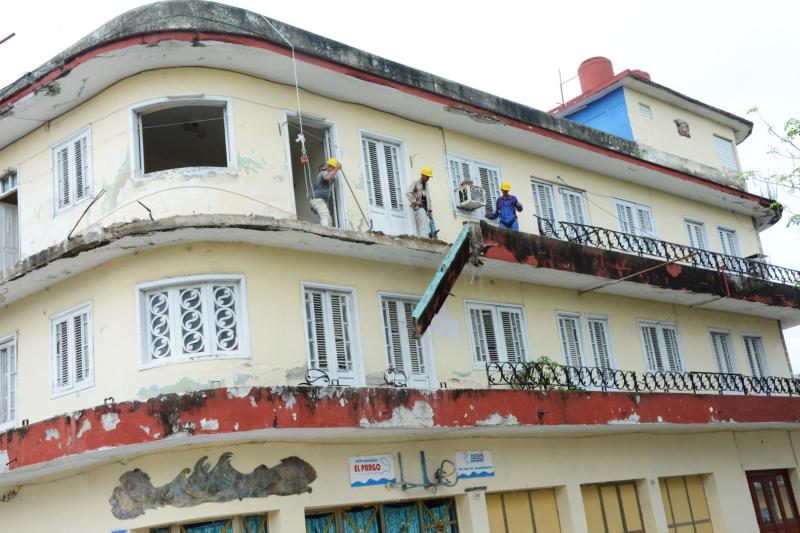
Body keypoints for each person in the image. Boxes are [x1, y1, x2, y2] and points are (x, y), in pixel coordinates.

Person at [310, 158, 340, 227]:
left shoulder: (329, 174)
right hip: (317, 200)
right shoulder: (324, 173)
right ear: (330, 167)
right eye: (333, 168)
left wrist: (336, 169)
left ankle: (324, 232)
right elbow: (328, 177)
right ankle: (323, 232)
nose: (334, 171)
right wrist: (337, 168)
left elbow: (332, 177)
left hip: (320, 201)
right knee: (325, 215)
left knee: (328, 220)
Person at [407, 166, 434, 238]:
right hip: (419, 208)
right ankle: (424, 240)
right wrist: (416, 202)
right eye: (427, 177)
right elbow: (408, 193)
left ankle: (426, 239)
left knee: (427, 226)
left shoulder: (426, 186)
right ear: (422, 175)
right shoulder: (415, 183)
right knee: (423, 226)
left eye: (429, 177)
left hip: (426, 209)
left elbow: (428, 199)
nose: (428, 179)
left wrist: (430, 211)